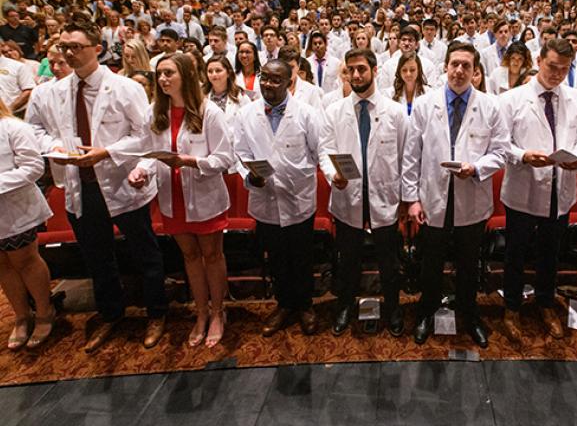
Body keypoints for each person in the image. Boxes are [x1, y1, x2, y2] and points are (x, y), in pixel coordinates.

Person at [46, 20, 167, 352]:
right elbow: (42, 131)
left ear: (96, 49)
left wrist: (107, 152)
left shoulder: (125, 88)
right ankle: (111, 315)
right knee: (98, 259)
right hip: (81, 187)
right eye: (63, 46)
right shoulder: (56, 91)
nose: (68, 53)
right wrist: (56, 147)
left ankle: (156, 312)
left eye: (75, 47)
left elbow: (145, 135)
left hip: (121, 182)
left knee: (146, 254)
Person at [403, 42, 508, 348]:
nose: (459, 71)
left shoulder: (490, 106)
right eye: (454, 64)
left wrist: (475, 167)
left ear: (476, 72)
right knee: (430, 262)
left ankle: (469, 313)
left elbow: (500, 153)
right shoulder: (425, 105)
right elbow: (412, 155)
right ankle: (427, 312)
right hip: (432, 197)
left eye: (466, 66)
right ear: (445, 67)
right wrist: (412, 199)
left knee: (468, 263)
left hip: (471, 197)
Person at [128, 54, 233, 348]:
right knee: (189, 257)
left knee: (212, 256)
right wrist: (140, 170)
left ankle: (218, 312)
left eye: (168, 73)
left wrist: (190, 161)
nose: (162, 79)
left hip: (203, 195)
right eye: (159, 74)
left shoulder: (208, 112)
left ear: (185, 75)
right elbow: (149, 154)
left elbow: (225, 158)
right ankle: (200, 313)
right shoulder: (154, 113)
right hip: (172, 196)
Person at [500, 38, 577, 340]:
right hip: (523, 186)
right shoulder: (512, 99)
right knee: (515, 252)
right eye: (552, 66)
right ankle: (511, 306)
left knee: (551, 254)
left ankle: (545, 302)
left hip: (559, 187)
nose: (556, 74)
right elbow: (501, 145)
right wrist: (523, 156)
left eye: (564, 69)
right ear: (539, 60)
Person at [320, 49, 408, 337]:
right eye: (351, 70)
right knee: (348, 259)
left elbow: (405, 156)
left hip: (384, 196)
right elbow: (325, 151)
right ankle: (345, 305)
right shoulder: (334, 111)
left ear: (374, 70)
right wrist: (333, 175)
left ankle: (393, 307)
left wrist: (406, 199)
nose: (356, 75)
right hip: (348, 198)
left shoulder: (394, 111)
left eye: (361, 69)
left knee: (389, 261)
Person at [233, 58, 321, 338]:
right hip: (265, 200)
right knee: (277, 259)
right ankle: (284, 305)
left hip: (298, 199)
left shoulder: (307, 113)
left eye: (275, 80)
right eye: (264, 78)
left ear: (288, 83)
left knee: (301, 257)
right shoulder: (246, 114)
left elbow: (320, 153)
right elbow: (240, 154)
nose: (268, 84)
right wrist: (250, 176)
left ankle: (306, 306)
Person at [0, 98, 55, 350]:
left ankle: (44, 312)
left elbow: (33, 167)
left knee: (24, 260)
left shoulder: (14, 127)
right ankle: (22, 317)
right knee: (2, 264)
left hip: (16, 208)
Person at [390, 51, 429, 116]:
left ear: (418, 70)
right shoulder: (390, 94)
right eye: (404, 70)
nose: (408, 74)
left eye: (412, 70)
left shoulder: (428, 93)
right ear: (399, 71)